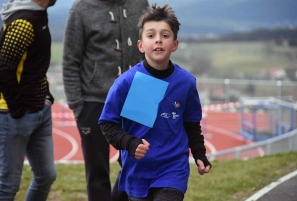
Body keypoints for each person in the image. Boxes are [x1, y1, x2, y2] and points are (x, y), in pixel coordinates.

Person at [99, 3, 212, 201]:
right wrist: (130, 143)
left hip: (173, 168)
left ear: (174, 44)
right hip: (137, 170)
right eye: (151, 35)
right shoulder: (126, 82)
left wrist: (200, 154)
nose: (158, 40)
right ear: (141, 45)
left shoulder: (186, 83)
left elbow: (192, 124)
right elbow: (107, 124)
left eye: (165, 35)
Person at [62, 0, 149, 200]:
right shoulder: (81, 8)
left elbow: (151, 47)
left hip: (137, 98)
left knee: (137, 164)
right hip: (94, 103)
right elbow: (70, 60)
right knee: (97, 174)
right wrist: (77, 106)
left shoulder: (140, 3)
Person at [0, 0, 57, 200]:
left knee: (46, 176)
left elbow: (35, 65)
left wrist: (46, 96)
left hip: (39, 110)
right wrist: (17, 109)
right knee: (7, 186)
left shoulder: (37, 14)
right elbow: (4, 69)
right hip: (14, 114)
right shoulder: (23, 21)